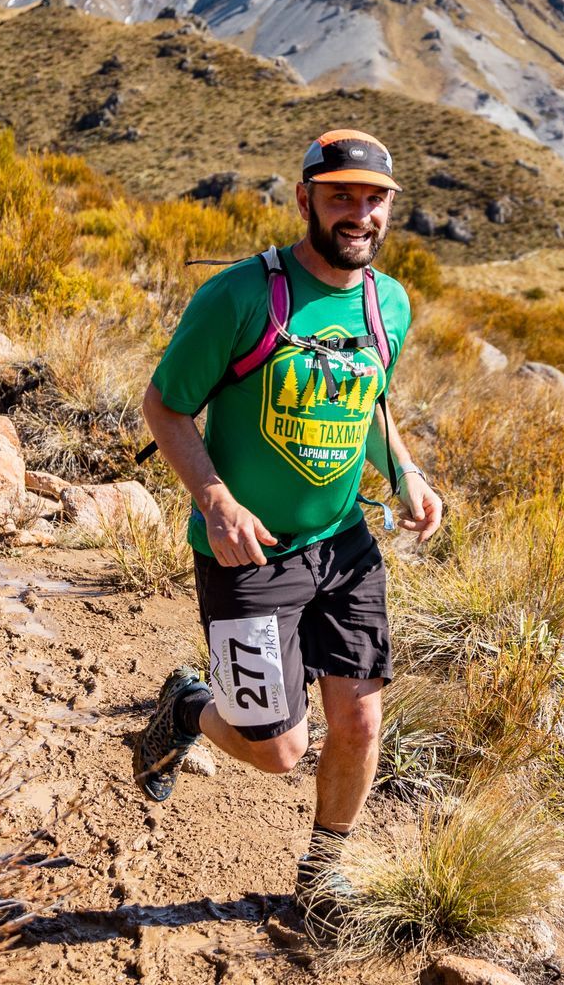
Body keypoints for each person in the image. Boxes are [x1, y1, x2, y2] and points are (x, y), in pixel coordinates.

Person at [132, 128, 444, 939]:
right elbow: (165, 406)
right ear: (304, 199)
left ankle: (321, 880)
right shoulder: (240, 297)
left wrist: (404, 473)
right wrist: (215, 500)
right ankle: (188, 709)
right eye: (341, 195)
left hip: (343, 545)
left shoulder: (389, 304)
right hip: (249, 552)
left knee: (360, 721)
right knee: (276, 750)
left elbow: (367, 403)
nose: (360, 214)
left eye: (374, 199)